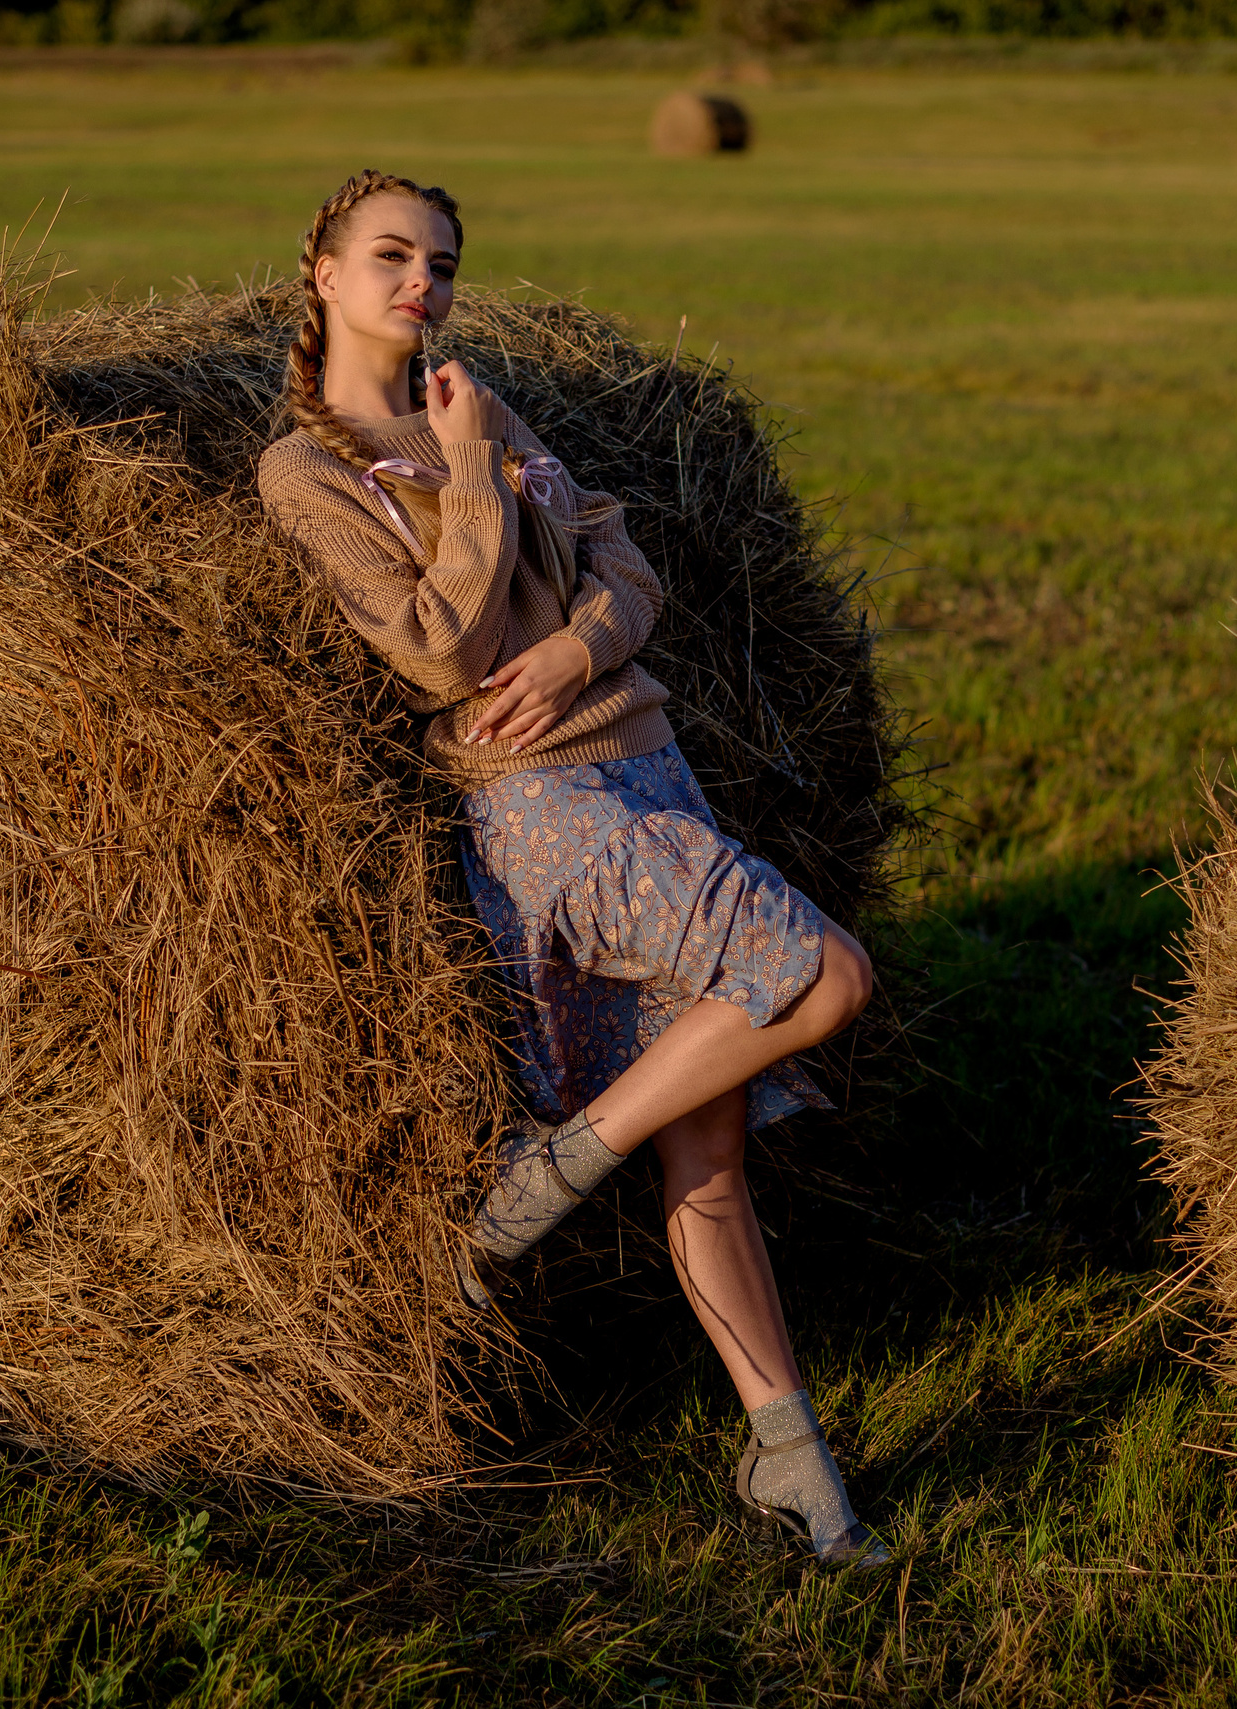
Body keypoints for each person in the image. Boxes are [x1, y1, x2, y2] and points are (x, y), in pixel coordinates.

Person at [257, 169, 888, 1571]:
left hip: (652, 770)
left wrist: (577, 647)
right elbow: (432, 647)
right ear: (320, 271)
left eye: (441, 260)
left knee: (709, 1152)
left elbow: (631, 569)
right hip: (541, 809)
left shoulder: (477, 404)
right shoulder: (309, 470)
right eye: (389, 254)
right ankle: (551, 1166)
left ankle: (794, 1462)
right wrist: (472, 470)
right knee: (826, 974)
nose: (420, 280)